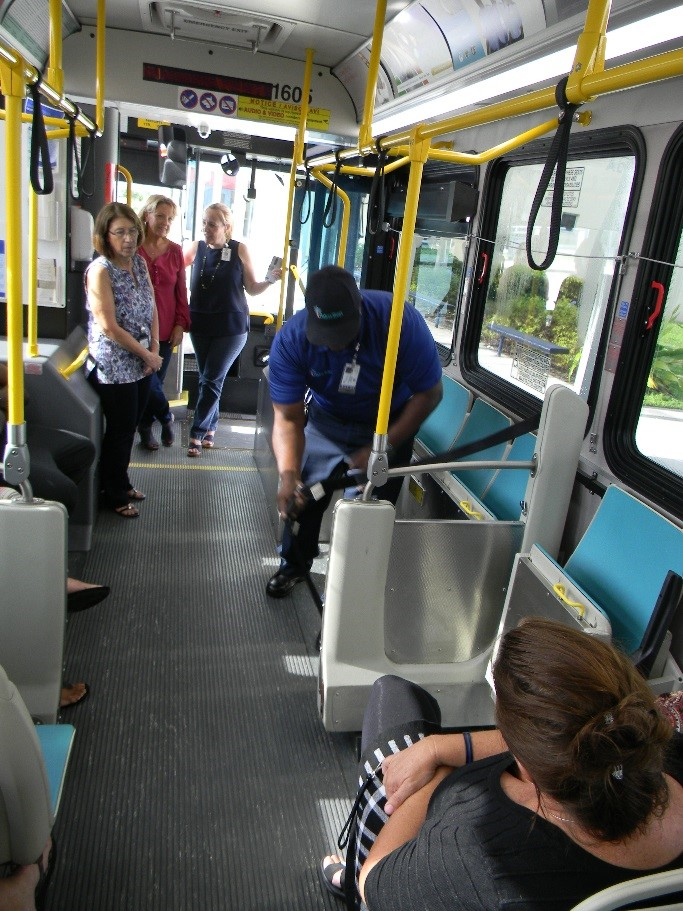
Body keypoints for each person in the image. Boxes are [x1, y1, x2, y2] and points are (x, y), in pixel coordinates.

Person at [319, 618, 683, 910]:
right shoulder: (654, 747)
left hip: (409, 866)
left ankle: (346, 873)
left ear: (525, 754)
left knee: (393, 694)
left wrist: (436, 777)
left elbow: (376, 880)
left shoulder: (479, 856)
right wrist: (443, 746)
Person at [265, 265, 443, 598]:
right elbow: (288, 418)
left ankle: (351, 599)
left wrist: (385, 445)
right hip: (326, 419)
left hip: (387, 423)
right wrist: (288, 473)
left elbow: (430, 394)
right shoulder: (292, 339)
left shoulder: (398, 322)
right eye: (325, 337)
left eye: (342, 334)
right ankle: (295, 564)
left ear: (359, 308)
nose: (334, 346)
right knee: (301, 497)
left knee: (365, 516)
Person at [183, 203, 280, 457]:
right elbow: (174, 268)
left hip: (231, 327)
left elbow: (252, 287)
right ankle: (211, 427)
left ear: (226, 227)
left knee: (212, 379)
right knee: (207, 379)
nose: (206, 228)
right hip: (200, 323)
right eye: (204, 222)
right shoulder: (197, 248)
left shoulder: (239, 249)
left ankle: (196, 433)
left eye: (212, 224)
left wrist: (270, 280)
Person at [85, 202, 163, 517]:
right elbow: (109, 326)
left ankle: (123, 481)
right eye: (120, 232)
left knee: (130, 426)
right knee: (119, 430)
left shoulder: (139, 264)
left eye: (132, 231)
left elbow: (152, 306)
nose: (128, 239)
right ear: (106, 235)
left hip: (142, 360)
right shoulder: (100, 270)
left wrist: (155, 347)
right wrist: (147, 354)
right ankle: (114, 494)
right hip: (115, 365)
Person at [0, 362, 96, 515]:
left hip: (9, 436)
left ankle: (43, 515)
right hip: (4, 456)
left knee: (82, 450)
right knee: (64, 491)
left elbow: (19, 393)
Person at [136, 195, 190, 450]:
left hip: (166, 329)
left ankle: (146, 428)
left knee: (153, 381)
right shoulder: (133, 247)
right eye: (160, 216)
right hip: (135, 331)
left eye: (169, 219)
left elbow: (181, 291)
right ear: (147, 215)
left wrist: (181, 324)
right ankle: (165, 418)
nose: (165, 223)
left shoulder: (176, 251)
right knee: (147, 382)